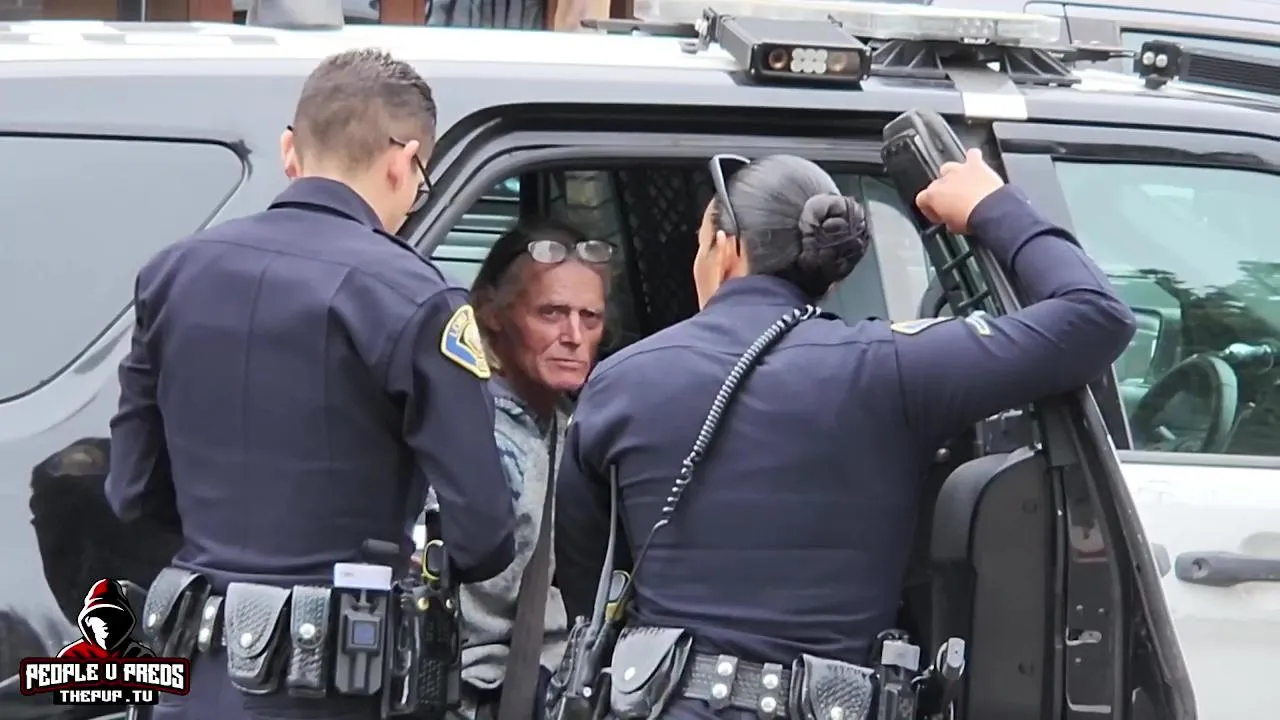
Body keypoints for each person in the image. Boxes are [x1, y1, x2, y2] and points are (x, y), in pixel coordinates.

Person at [553, 151, 1136, 719]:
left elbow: (589, 581)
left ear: (726, 248)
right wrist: (992, 205)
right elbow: (1095, 316)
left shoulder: (618, 381)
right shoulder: (891, 367)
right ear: (830, 277)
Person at [105, 48, 517, 719]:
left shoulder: (172, 273)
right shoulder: (415, 297)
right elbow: (484, 534)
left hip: (193, 672)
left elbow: (132, 489)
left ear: (289, 151)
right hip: (332, 680)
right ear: (404, 161)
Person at [451, 219, 612, 720]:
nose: (574, 336)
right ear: (492, 313)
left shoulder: (571, 425)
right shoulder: (475, 433)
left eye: (590, 317)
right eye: (551, 313)